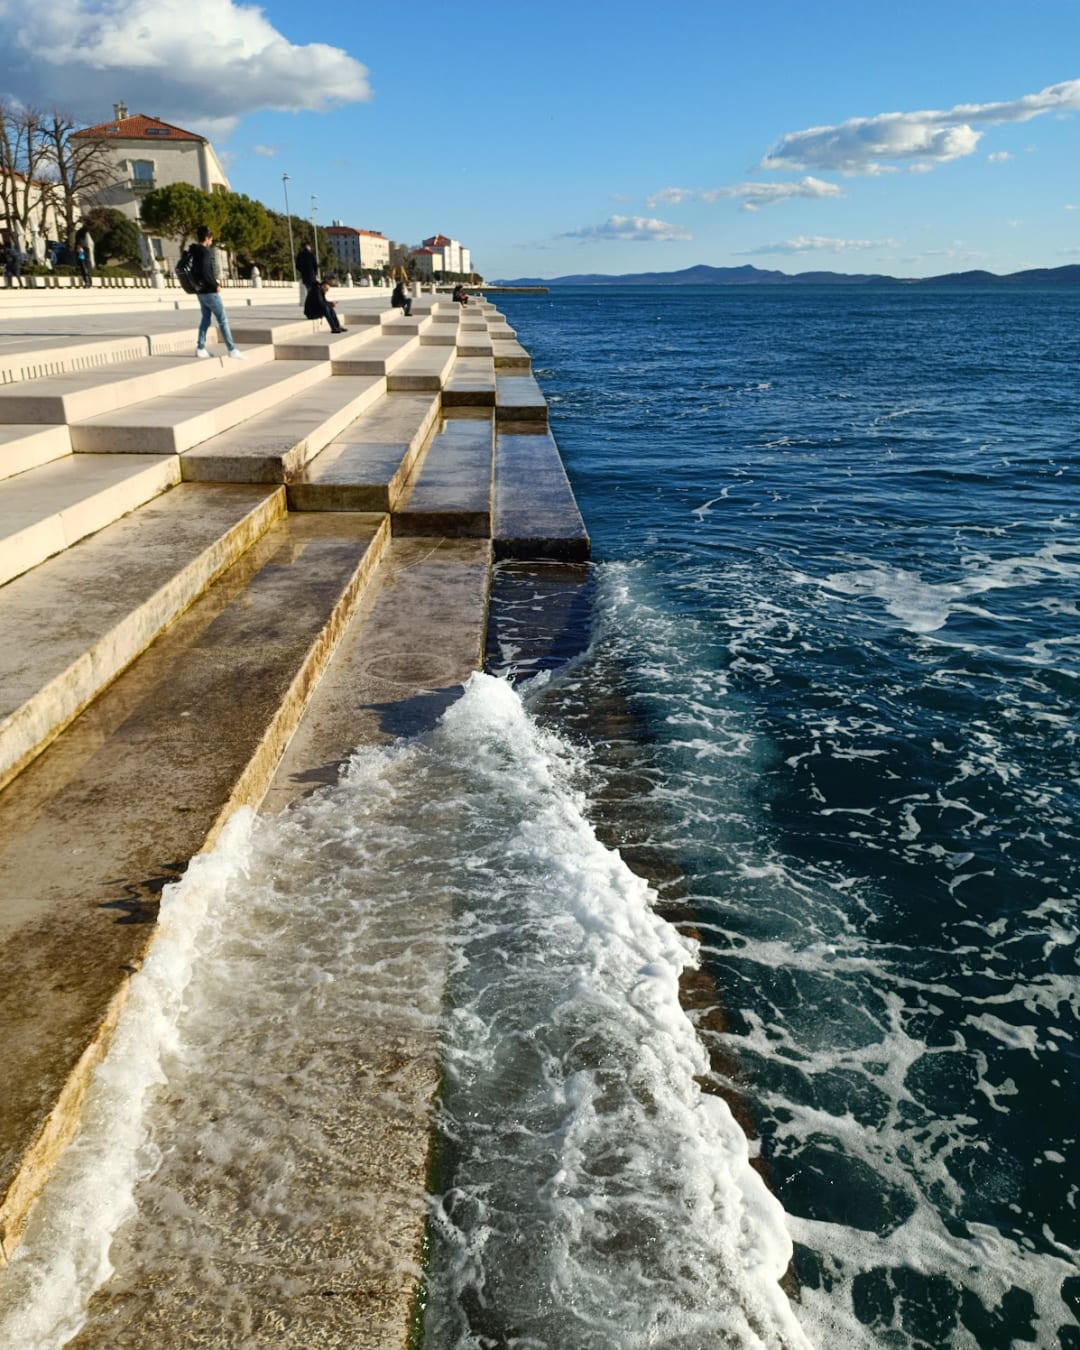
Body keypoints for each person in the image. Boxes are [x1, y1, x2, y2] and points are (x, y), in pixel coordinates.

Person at [189, 225, 246, 360]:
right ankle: (232, 350)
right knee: (223, 320)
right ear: (207, 238)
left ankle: (201, 347)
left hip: (200, 291)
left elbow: (197, 271)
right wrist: (215, 285)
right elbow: (206, 272)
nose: (212, 241)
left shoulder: (194, 251)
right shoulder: (205, 252)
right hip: (209, 291)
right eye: (211, 238)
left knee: (206, 319)